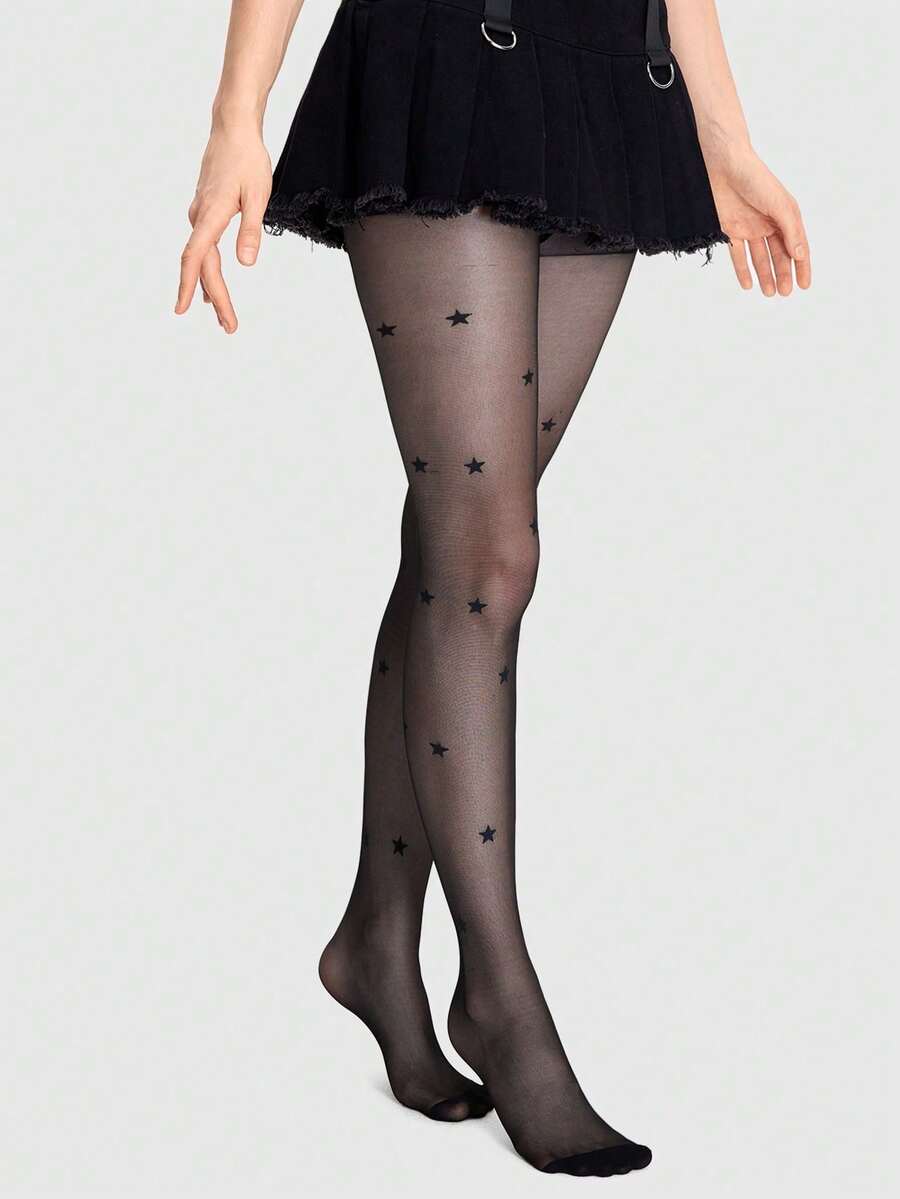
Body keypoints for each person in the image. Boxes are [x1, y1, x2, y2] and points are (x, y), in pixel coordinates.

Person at [175, 0, 810, 1178]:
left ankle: (375, 937)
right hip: (443, 51)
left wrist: (725, 138)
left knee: (457, 552)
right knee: (487, 556)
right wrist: (235, 117)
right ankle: (499, 996)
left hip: (611, 75)